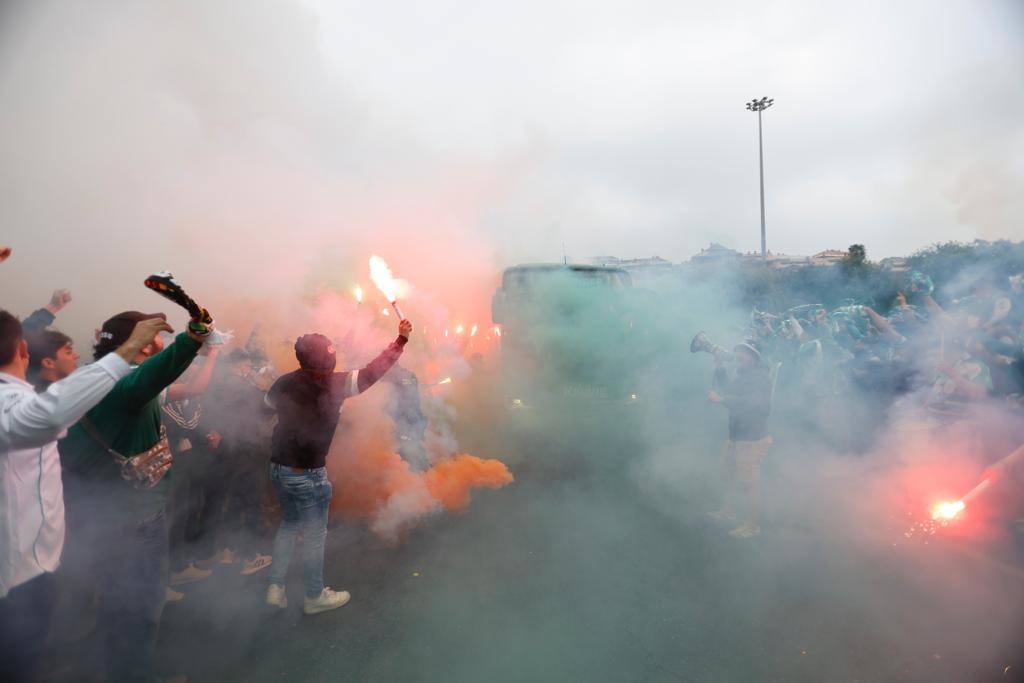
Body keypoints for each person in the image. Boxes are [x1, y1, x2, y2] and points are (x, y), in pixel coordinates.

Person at [0, 310, 172, 682]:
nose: (74, 356)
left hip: (42, 562)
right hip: (18, 578)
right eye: (67, 349)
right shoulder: (17, 407)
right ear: (24, 351)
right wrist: (135, 348)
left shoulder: (33, 396)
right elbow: (49, 414)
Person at [59, 310, 209, 682]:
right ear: (139, 344)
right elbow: (156, 374)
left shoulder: (91, 379)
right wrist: (192, 337)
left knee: (118, 609)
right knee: (137, 610)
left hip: (108, 517)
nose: (158, 341)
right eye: (151, 337)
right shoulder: (121, 386)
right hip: (131, 524)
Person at [264, 318, 411, 614]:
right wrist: (401, 340)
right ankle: (314, 595)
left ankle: (275, 588)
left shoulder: (283, 382)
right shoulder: (334, 384)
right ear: (327, 357)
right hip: (308, 474)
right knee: (315, 535)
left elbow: (265, 406)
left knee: (290, 524)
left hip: (279, 468)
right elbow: (374, 372)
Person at [202, 348, 273, 575]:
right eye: (247, 366)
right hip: (244, 450)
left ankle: (223, 551)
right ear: (240, 365)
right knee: (250, 499)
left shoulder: (213, 384)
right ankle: (251, 557)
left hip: (222, 452)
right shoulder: (241, 386)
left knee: (223, 498)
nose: (248, 369)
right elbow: (265, 408)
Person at [707, 342, 773, 539]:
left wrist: (721, 400)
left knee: (749, 484)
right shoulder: (744, 375)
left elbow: (756, 404)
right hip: (736, 435)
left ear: (753, 356)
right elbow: (728, 390)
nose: (736, 355)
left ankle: (753, 525)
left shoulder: (760, 377)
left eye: (741, 352)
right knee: (727, 474)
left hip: (751, 439)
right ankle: (729, 511)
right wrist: (720, 367)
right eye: (737, 351)